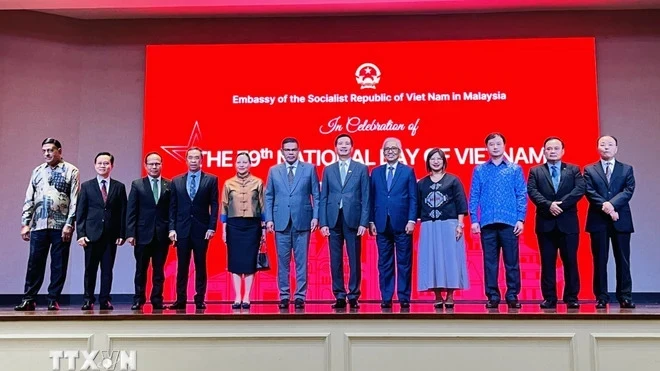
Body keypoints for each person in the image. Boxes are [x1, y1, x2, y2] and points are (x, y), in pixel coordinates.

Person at [15, 138, 80, 311]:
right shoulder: (37, 171)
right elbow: (29, 197)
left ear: (59, 151)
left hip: (60, 225)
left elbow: (75, 199)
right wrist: (25, 223)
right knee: (34, 263)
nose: (47, 154)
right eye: (44, 151)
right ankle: (29, 299)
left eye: (50, 150)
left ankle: (53, 299)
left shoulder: (71, 170)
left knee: (58, 264)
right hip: (39, 224)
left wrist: (69, 223)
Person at [469, 132, 527, 309]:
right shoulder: (480, 169)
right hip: (487, 223)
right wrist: (473, 219)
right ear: (486, 147)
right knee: (490, 262)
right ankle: (493, 295)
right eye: (492, 144)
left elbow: (521, 195)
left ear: (504, 146)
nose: (495, 147)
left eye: (498, 144)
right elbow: (474, 196)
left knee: (512, 262)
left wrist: (521, 219)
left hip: (510, 222)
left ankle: (512, 295)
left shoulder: (514, 169)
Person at [527, 137, 585, 309]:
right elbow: (532, 191)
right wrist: (548, 205)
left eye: (556, 148)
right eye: (549, 148)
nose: (552, 151)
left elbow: (579, 189)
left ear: (562, 151)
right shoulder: (535, 171)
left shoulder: (573, 170)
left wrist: (561, 204)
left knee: (570, 261)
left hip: (568, 223)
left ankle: (571, 297)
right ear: (544, 151)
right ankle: (550, 298)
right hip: (546, 223)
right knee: (547, 262)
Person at [264, 137, 320, 310]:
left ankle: (300, 296)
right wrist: (269, 219)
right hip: (280, 222)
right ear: (282, 152)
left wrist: (316, 217)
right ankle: (284, 295)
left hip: (303, 220)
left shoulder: (309, 169)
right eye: (287, 150)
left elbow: (316, 195)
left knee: (302, 262)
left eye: (293, 150)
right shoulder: (274, 171)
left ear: (298, 151)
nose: (290, 153)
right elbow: (269, 196)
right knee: (283, 262)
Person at [584, 135, 636, 309]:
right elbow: (589, 191)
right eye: (602, 144)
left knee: (623, 260)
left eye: (610, 144)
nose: (606, 147)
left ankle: (625, 296)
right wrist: (606, 207)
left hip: (621, 220)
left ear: (616, 148)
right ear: (597, 147)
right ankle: (601, 297)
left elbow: (628, 191)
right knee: (600, 260)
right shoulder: (589, 170)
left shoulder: (626, 169)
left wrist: (612, 206)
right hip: (598, 220)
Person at [319, 134, 370, 309]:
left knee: (354, 258)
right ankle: (339, 295)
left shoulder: (361, 168)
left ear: (352, 148)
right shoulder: (328, 169)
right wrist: (323, 223)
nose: (343, 146)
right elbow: (323, 196)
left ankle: (354, 295)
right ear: (335, 148)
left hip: (354, 219)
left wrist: (364, 222)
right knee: (335, 259)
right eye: (340, 143)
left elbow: (366, 197)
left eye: (347, 143)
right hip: (333, 219)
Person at [417, 148, 469, 309]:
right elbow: (417, 204)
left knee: (451, 260)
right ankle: (437, 295)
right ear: (428, 162)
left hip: (450, 224)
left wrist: (460, 225)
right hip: (429, 226)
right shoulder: (422, 183)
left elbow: (461, 203)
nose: (436, 161)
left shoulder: (453, 180)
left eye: (439, 158)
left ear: (444, 161)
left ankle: (450, 295)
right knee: (431, 260)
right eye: (432, 159)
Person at [369, 137, 418, 309]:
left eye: (394, 148)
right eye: (387, 149)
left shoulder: (408, 171)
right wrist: (371, 221)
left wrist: (412, 219)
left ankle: (404, 296)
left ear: (400, 152)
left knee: (404, 262)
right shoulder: (375, 172)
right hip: (381, 224)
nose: (390, 151)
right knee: (384, 263)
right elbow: (371, 198)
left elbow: (413, 197)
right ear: (383, 153)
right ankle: (386, 297)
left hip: (403, 223)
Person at [168, 147, 219, 310]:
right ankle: (180, 299)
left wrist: (212, 227)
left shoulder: (211, 179)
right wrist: (172, 228)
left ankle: (199, 298)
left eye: (197, 158)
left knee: (200, 265)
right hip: (181, 229)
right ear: (186, 159)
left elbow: (215, 205)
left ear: (201, 160)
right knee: (182, 266)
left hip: (202, 230)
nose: (193, 161)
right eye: (190, 158)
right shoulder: (176, 181)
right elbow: (172, 207)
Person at [77, 152, 127, 310]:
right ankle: (88, 299)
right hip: (91, 235)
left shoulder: (119, 187)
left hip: (110, 236)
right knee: (90, 269)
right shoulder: (86, 186)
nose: (102, 166)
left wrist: (122, 234)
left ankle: (105, 299)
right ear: (94, 165)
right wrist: (81, 234)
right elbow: (81, 212)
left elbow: (123, 212)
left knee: (107, 270)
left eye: (106, 163)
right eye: (99, 163)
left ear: (112, 166)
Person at [125, 152, 171, 311]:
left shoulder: (168, 185)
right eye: (151, 164)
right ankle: (138, 299)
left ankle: (157, 299)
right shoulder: (137, 184)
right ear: (146, 166)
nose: (154, 166)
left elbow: (172, 211)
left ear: (161, 165)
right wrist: (130, 233)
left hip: (162, 235)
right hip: (142, 234)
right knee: (140, 270)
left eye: (157, 163)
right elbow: (131, 210)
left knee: (159, 271)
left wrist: (171, 230)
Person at [221, 152, 265, 310]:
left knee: (249, 262)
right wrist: (224, 230)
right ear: (235, 164)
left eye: (244, 162)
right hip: (234, 225)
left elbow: (263, 206)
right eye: (238, 162)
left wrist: (264, 228)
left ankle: (247, 295)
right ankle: (237, 296)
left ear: (250, 164)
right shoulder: (228, 183)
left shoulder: (258, 182)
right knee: (235, 262)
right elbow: (224, 207)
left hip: (253, 226)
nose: (241, 164)